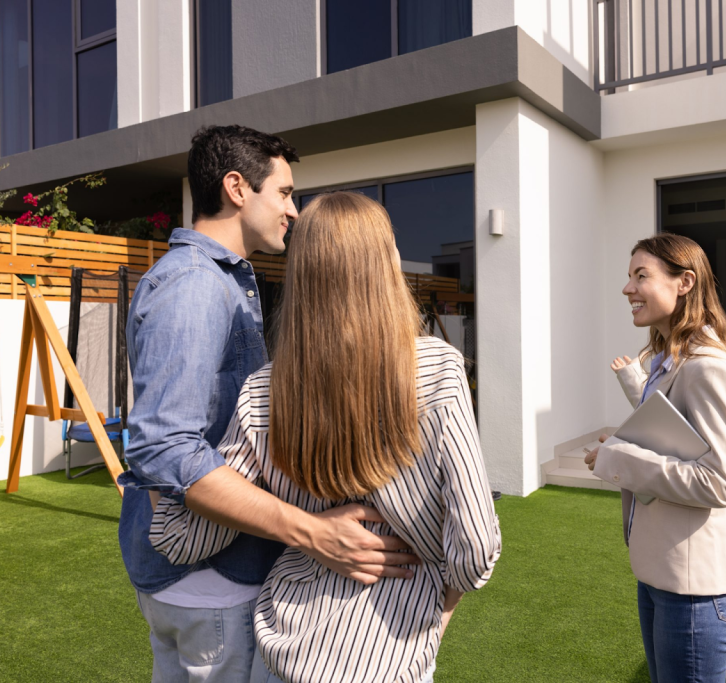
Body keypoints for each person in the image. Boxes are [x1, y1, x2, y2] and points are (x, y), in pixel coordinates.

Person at [148, 192, 502, 683]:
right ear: (385, 261)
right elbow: (476, 548)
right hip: (391, 657)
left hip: (284, 651)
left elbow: (183, 537)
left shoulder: (263, 390)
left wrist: (156, 481)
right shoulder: (438, 367)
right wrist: (436, 620)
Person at [120, 127, 421, 682]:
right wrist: (312, 530)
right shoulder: (196, 286)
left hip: (203, 575)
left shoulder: (223, 281)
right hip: (209, 580)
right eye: (284, 193)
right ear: (237, 188)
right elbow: (162, 448)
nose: (295, 210)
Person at [588, 233, 726, 683]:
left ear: (685, 283)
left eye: (642, 276)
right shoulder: (669, 361)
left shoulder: (707, 367)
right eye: (629, 277)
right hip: (662, 576)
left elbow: (719, 482)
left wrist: (617, 455)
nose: (628, 289)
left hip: (694, 593)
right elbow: (672, 440)